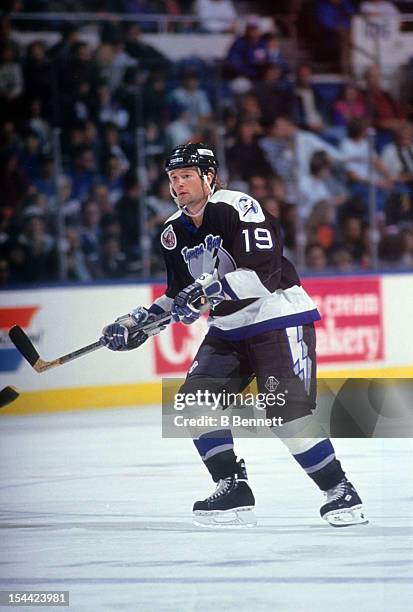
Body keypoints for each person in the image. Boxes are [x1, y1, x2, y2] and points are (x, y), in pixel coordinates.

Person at [100, 143, 367, 528]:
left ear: (209, 176)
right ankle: (233, 487)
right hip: (228, 327)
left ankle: (339, 489)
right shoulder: (172, 232)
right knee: (195, 402)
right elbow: (178, 296)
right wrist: (137, 323)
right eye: (173, 178)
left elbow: (264, 274)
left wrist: (207, 291)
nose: (178, 185)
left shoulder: (236, 207)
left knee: (285, 412)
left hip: (275, 314)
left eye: (187, 176)